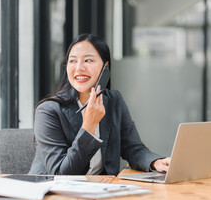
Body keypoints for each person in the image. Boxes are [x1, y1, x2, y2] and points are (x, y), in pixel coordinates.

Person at [29, 33, 170, 175]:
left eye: (88, 60)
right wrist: (89, 126)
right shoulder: (48, 111)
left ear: (105, 66)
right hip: (53, 193)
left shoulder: (114, 101)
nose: (79, 68)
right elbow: (61, 174)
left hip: (100, 189)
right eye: (72, 61)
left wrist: (155, 162)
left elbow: (133, 148)